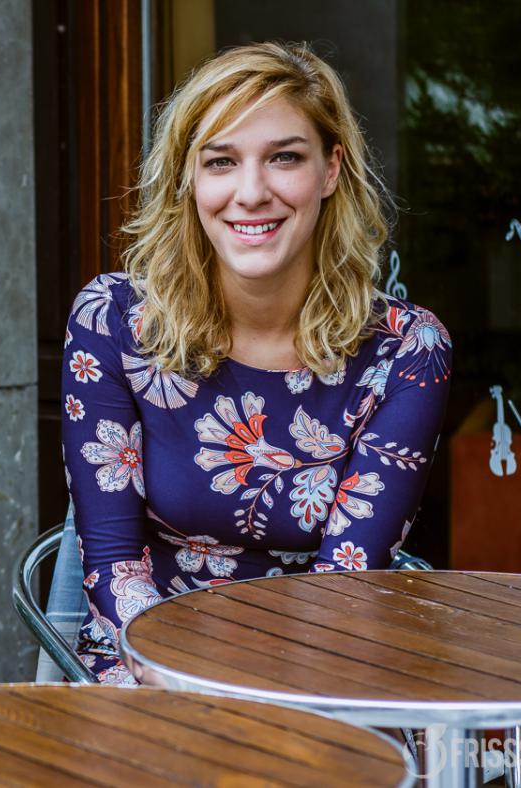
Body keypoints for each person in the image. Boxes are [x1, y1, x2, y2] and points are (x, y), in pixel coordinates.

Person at [61, 42, 452, 684]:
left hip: (323, 669)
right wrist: (183, 684)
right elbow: (113, 565)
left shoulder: (406, 350)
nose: (251, 192)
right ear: (188, 179)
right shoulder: (113, 320)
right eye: (221, 161)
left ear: (331, 170)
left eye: (284, 158)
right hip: (147, 664)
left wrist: (257, 698)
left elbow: (346, 583)